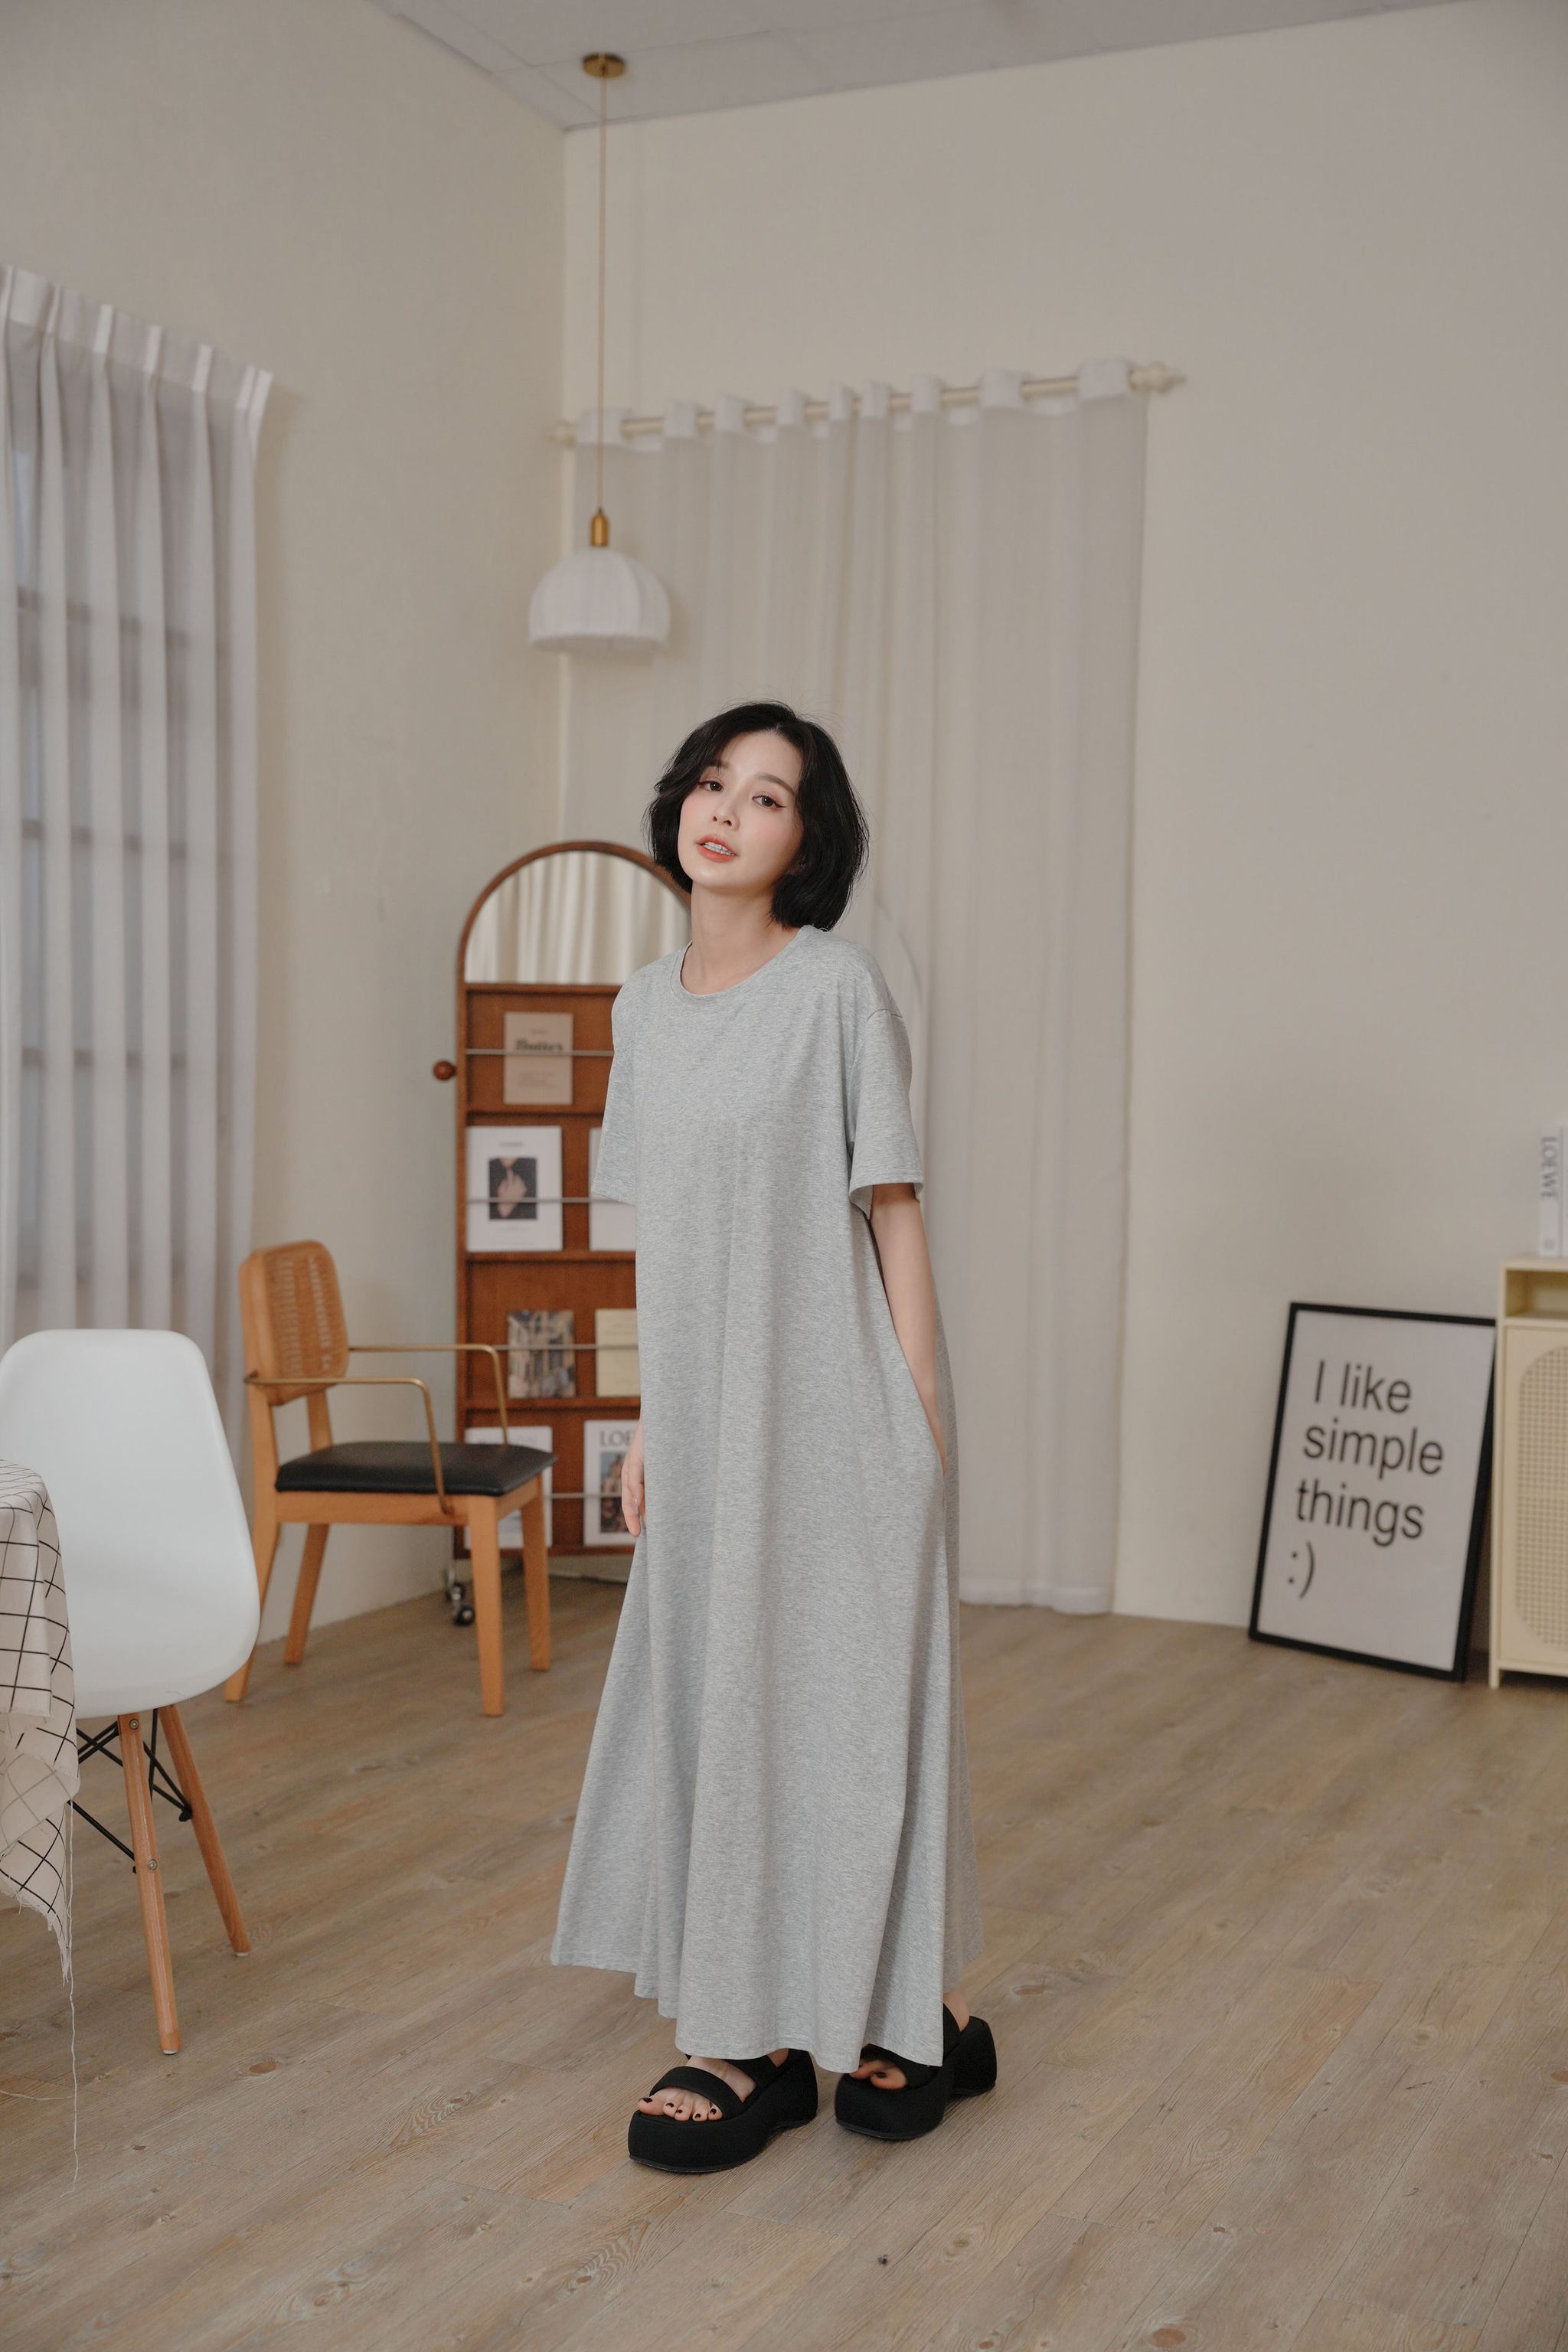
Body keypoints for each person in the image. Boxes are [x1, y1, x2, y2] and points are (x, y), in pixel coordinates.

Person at [550, 701, 995, 2174]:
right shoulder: (639, 1008)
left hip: (844, 1407)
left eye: (767, 795)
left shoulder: (835, 990)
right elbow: (661, 1243)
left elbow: (893, 1206)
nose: (725, 811)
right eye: (711, 783)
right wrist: (645, 1418)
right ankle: (747, 2035)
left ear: (810, 839)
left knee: (855, 1708)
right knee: (718, 1703)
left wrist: (922, 1416)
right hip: (705, 1419)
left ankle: (912, 2009)